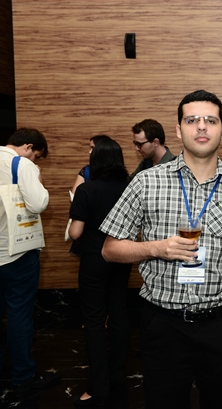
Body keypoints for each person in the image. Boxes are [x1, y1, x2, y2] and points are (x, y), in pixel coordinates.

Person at [100, 90, 222, 409]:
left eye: (210, 120)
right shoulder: (146, 182)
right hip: (163, 326)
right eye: (192, 120)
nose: (201, 126)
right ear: (178, 129)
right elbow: (109, 249)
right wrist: (157, 248)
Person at [69, 137, 132, 407]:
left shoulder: (86, 189)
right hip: (122, 257)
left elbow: (75, 232)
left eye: (91, 150)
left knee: (94, 321)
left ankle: (97, 386)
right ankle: (118, 377)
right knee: (119, 315)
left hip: (94, 259)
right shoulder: (129, 187)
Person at [0, 128, 60, 399]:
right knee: (19, 315)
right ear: (27, 147)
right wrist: (38, 179)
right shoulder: (21, 164)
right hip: (16, 254)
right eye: (36, 156)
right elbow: (38, 204)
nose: (35, 161)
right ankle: (23, 376)